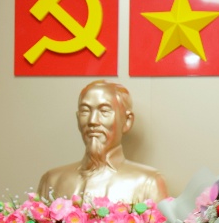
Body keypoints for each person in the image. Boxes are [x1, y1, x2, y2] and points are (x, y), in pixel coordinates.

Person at [36, 80, 169, 204]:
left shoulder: (148, 183)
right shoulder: (52, 180)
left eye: (104, 111)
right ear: (77, 118)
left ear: (127, 121)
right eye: (85, 111)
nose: (92, 121)